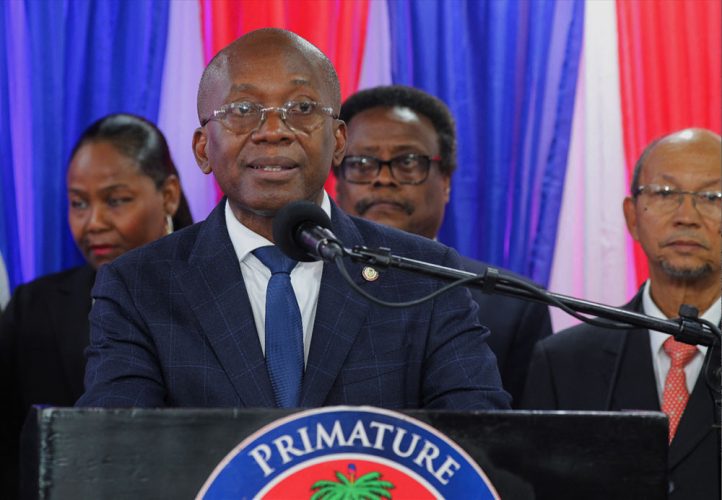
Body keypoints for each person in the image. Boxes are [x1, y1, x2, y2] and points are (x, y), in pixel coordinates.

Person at [77, 29, 510, 411]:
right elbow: (115, 452)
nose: (273, 130)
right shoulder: (138, 286)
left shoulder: (426, 280)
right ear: (202, 149)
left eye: (301, 107)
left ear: (338, 142)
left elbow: (482, 447)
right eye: (243, 110)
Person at [520, 128, 721, 499]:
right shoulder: (563, 362)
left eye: (712, 196)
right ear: (632, 217)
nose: (687, 216)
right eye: (665, 193)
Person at [0, 113, 193, 497]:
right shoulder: (32, 308)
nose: (94, 222)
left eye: (116, 200)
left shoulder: (217, 297)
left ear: (168, 194)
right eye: (78, 203)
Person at [333, 85, 552, 405]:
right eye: (362, 164)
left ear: (446, 181)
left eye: (407, 162)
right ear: (337, 182)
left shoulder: (514, 303)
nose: (382, 179)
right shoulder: (303, 284)